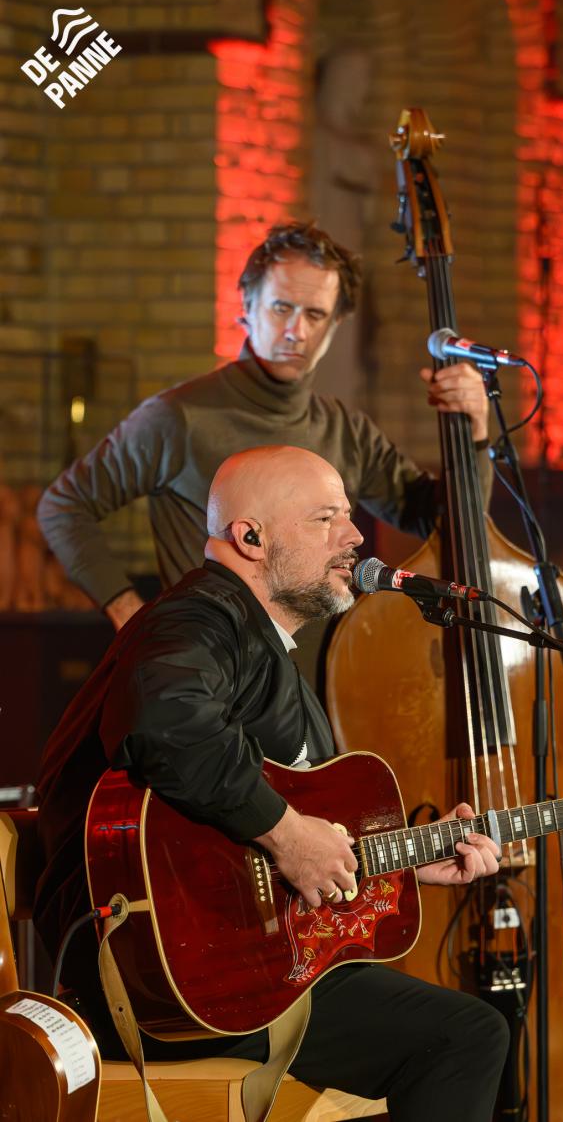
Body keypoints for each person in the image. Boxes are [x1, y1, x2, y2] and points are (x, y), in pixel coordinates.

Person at [33, 445, 508, 1122]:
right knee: (464, 1035)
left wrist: (397, 859)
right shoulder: (198, 617)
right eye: (325, 518)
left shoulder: (256, 644)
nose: (355, 537)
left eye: (349, 516)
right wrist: (287, 835)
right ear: (249, 537)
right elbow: (165, 722)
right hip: (160, 981)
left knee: (448, 1027)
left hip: (220, 967)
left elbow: (246, 846)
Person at [37, 221, 491, 636]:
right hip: (218, 675)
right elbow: (64, 505)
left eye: (315, 315)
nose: (296, 331)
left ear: (335, 324)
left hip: (327, 681)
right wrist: (128, 612)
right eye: (281, 308)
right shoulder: (178, 416)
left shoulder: (346, 429)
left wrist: (474, 430)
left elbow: (445, 522)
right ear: (248, 307)